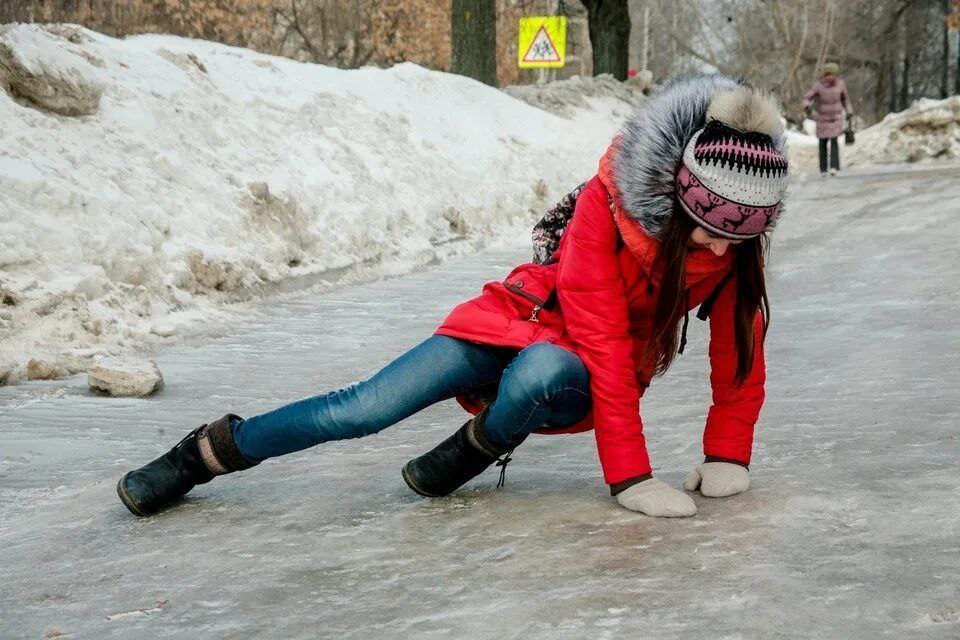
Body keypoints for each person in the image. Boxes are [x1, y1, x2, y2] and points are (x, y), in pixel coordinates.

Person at [117, 74, 789, 520]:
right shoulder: (605, 207)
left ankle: (473, 446)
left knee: (542, 370)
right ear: (680, 193)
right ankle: (205, 453)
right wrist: (631, 479)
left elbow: (738, 351)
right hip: (517, 319)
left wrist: (726, 452)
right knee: (365, 407)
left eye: (740, 236)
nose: (720, 249)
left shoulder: (733, 247)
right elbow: (603, 333)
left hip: (572, 369)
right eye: (710, 229)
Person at [803, 62, 853, 176]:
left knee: (834, 141)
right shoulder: (818, 86)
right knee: (823, 142)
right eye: (828, 74)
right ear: (825, 75)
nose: (830, 77)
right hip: (822, 118)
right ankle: (823, 169)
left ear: (836, 74)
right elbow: (807, 97)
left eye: (832, 74)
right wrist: (807, 106)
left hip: (836, 117)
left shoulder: (840, 84)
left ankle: (834, 167)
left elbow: (845, 99)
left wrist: (849, 111)